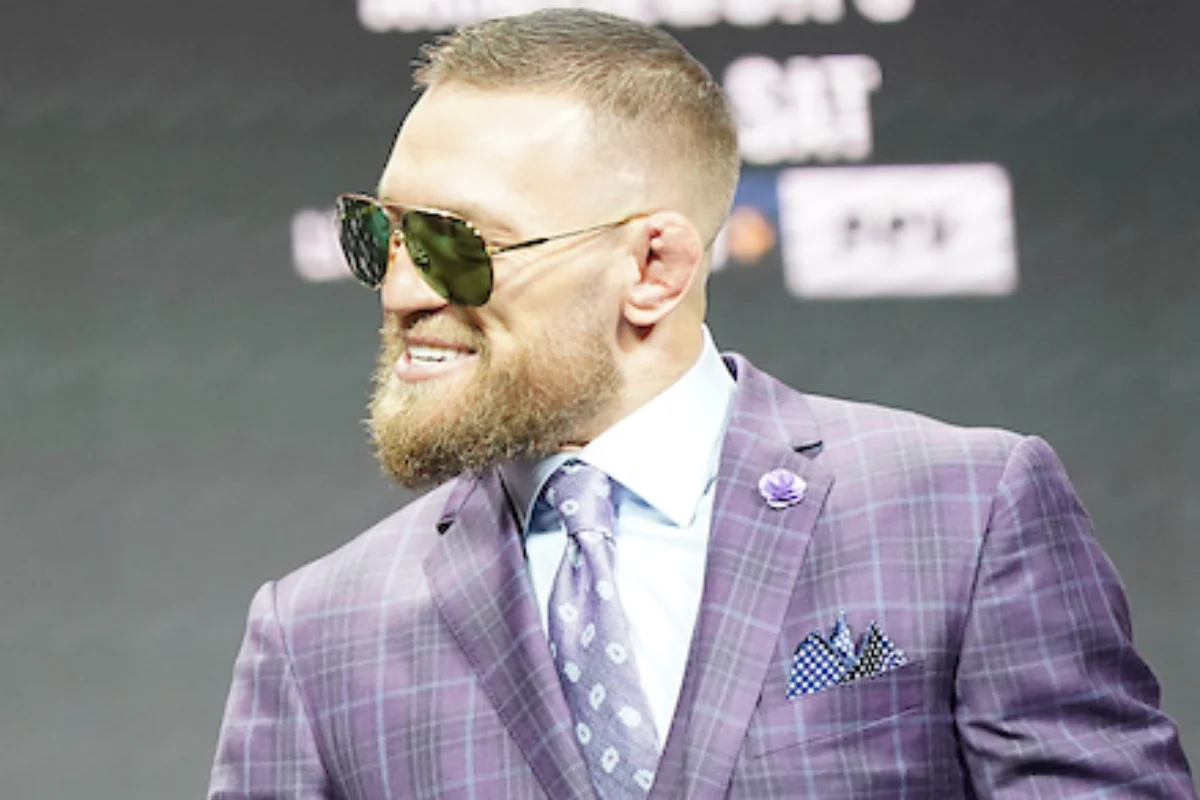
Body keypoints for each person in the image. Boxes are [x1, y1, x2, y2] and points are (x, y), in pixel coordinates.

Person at [209, 9, 1195, 799]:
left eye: (455, 245)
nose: (398, 291)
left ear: (654, 268)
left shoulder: (960, 512)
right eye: (378, 237)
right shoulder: (316, 634)